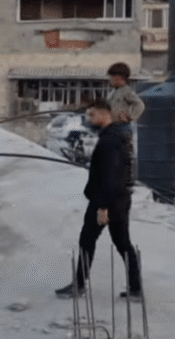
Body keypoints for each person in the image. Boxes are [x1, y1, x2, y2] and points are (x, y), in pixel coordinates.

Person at [56, 98, 142, 301]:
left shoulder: (109, 141)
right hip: (118, 199)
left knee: (88, 239)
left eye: (92, 115)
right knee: (122, 243)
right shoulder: (113, 137)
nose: (89, 119)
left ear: (105, 114)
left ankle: (79, 285)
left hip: (106, 201)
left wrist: (103, 207)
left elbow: (110, 177)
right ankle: (135, 289)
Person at [106, 62, 145, 180]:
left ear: (120, 78)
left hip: (122, 128)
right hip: (112, 127)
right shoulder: (112, 93)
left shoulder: (127, 91)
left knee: (124, 155)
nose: (110, 80)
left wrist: (130, 116)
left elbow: (139, 105)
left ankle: (127, 181)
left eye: (112, 77)